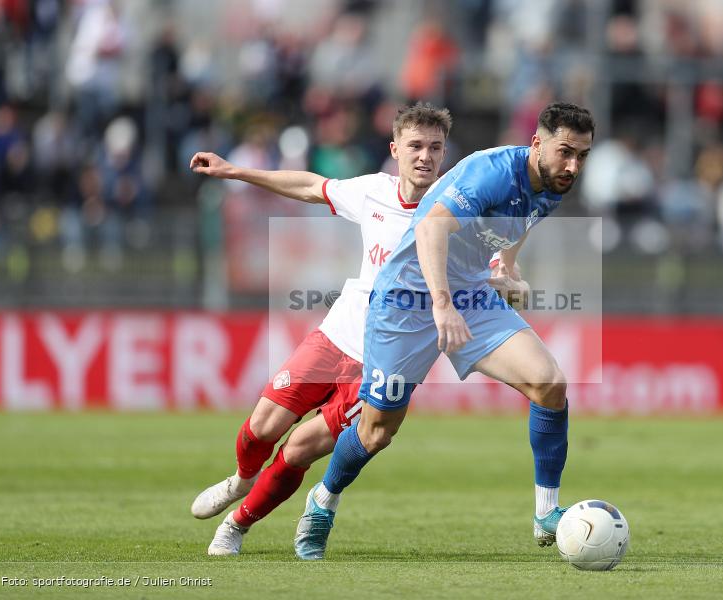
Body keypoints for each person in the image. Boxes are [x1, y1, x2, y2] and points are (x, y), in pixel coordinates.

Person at [295, 102, 594, 560]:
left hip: (470, 296)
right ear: (537, 143)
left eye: (582, 156)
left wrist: (507, 268)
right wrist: (441, 306)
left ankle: (546, 513)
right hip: (406, 299)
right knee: (377, 432)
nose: (573, 165)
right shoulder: (491, 172)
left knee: (549, 383)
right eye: (566, 152)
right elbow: (431, 230)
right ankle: (322, 500)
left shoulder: (553, 181)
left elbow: (520, 221)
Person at [188, 102, 452, 556]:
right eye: (415, 146)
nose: (425, 156)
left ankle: (236, 524)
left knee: (299, 449)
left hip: (379, 364)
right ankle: (240, 480)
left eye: (435, 147)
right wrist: (236, 172)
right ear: (395, 149)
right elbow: (311, 186)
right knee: (262, 425)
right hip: (335, 337)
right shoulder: (375, 191)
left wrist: (506, 275)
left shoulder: (456, 213)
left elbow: (492, 263)